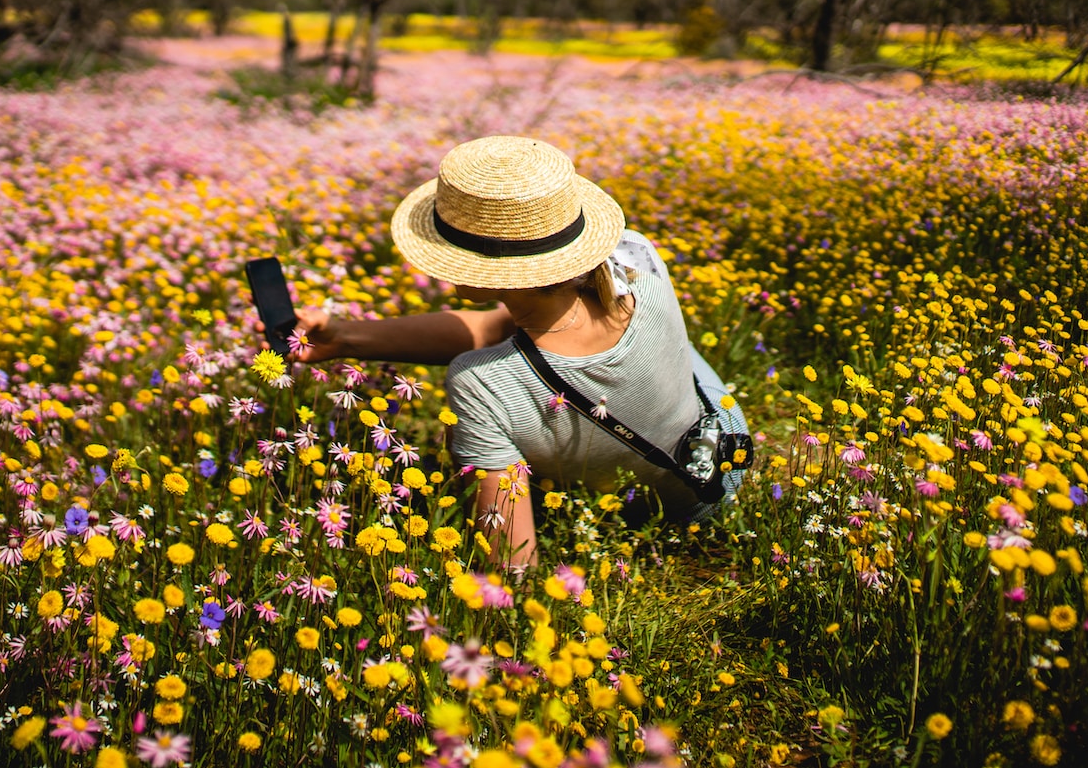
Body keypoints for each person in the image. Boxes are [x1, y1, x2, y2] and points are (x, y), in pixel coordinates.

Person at [282, 135, 746, 566]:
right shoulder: (634, 256)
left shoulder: (480, 382)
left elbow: (513, 557)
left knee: (507, 377)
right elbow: (493, 330)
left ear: (484, 270)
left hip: (655, 519)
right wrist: (344, 339)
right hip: (724, 451)